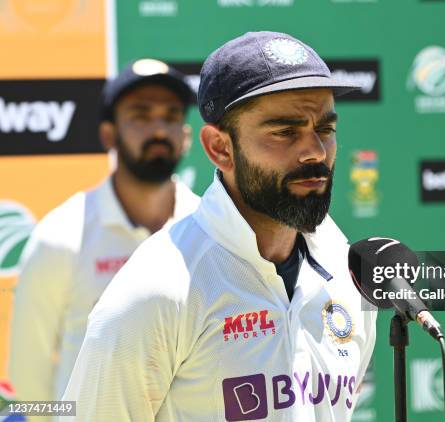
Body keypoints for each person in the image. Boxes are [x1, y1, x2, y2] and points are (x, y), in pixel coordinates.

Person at [62, 31, 377, 421]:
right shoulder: (157, 289)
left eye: (325, 130)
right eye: (284, 132)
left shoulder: (350, 272)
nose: (314, 151)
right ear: (220, 148)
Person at [9, 59, 200, 406]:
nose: (159, 130)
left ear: (186, 136)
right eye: (141, 115)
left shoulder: (210, 228)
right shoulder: (60, 237)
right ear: (108, 134)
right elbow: (29, 377)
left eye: (171, 116)